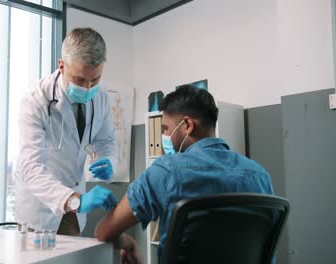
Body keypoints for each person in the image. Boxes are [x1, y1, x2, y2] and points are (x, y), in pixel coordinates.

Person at [94, 85, 274, 263]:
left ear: (187, 125)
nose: (164, 136)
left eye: (165, 129)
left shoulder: (165, 171)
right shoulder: (260, 176)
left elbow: (105, 231)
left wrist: (129, 243)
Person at [15, 28, 118, 236]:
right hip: (40, 211)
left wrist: (109, 160)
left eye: (95, 80)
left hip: (75, 211)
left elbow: (106, 140)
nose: (88, 88)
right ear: (61, 66)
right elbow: (31, 168)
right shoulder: (35, 100)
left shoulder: (102, 97)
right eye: (80, 80)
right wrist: (74, 200)